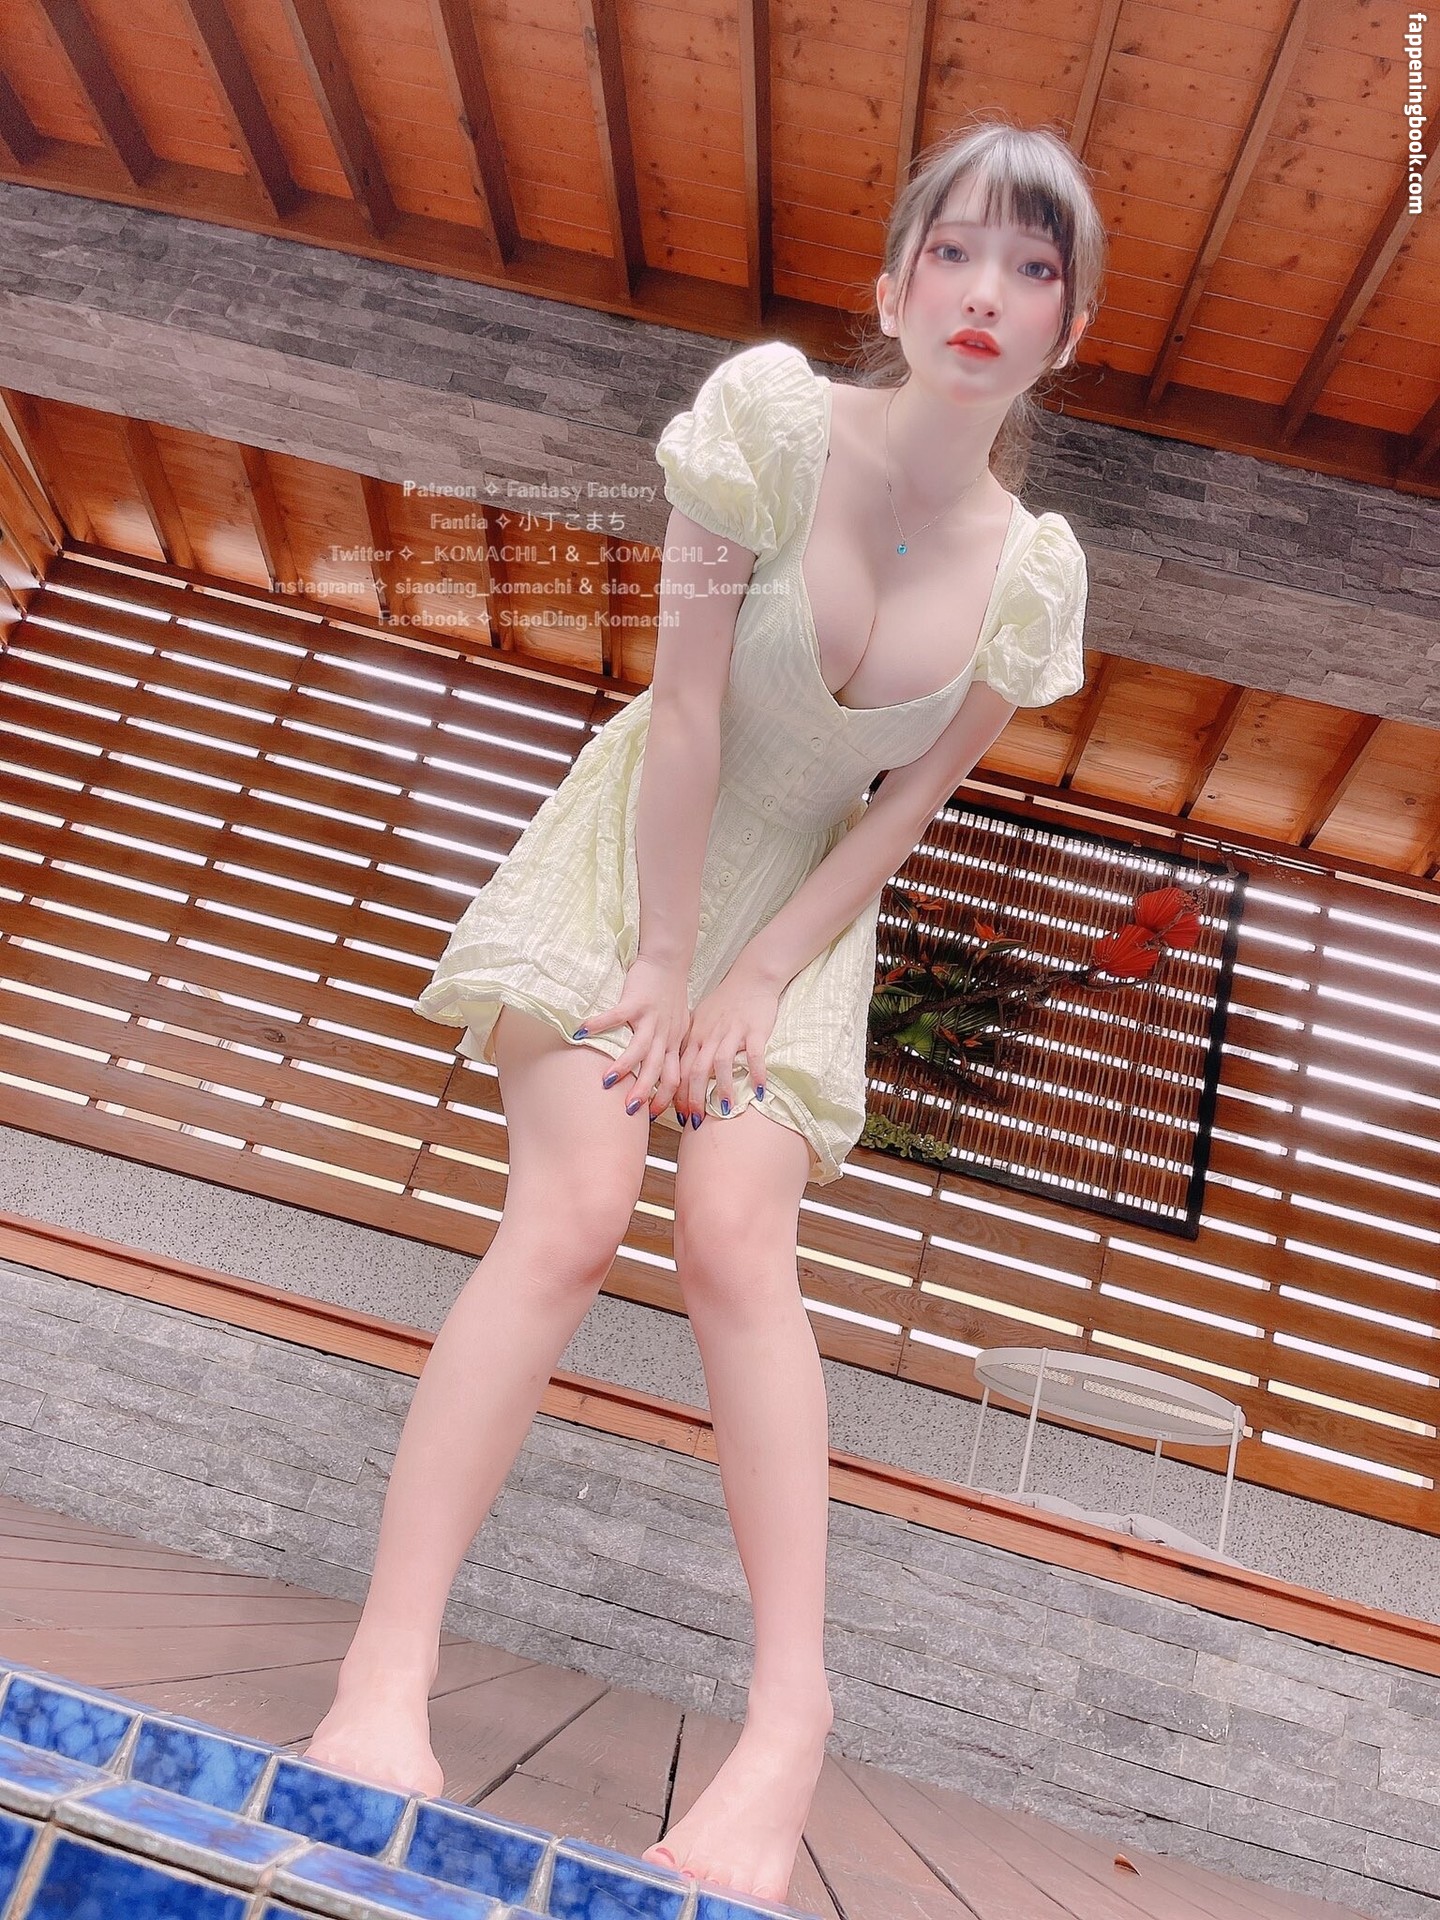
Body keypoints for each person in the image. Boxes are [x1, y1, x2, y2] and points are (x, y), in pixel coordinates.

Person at [301, 116, 1105, 1905]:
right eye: (955, 251)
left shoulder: (1033, 575)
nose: (985, 292)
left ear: (1070, 327)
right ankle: (385, 1668)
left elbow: (900, 813)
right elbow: (682, 708)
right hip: (638, 863)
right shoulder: (770, 424)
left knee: (739, 1237)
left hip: (800, 922)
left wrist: (751, 975)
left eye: (1033, 266)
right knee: (578, 1209)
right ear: (891, 284)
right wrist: (666, 957)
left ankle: (786, 1730)